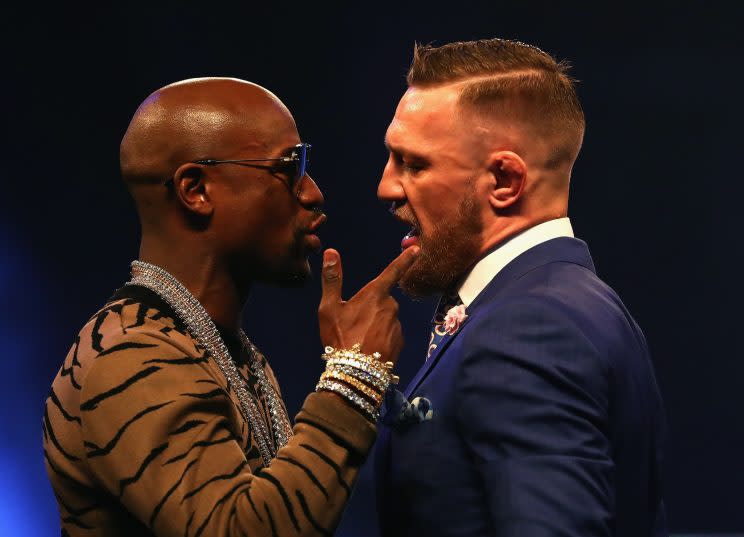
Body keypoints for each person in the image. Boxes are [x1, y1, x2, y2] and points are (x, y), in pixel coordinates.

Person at [43, 77, 419, 537]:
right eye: (289, 168)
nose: (313, 192)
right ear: (196, 190)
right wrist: (354, 375)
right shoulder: (132, 355)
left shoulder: (215, 348)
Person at [374, 39, 667, 537]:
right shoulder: (564, 303)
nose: (387, 187)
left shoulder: (531, 328)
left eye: (414, 164)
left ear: (505, 180)